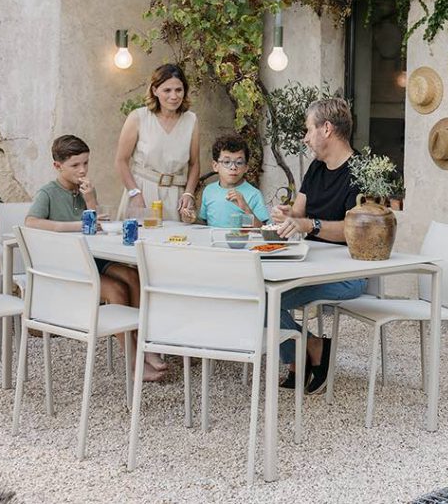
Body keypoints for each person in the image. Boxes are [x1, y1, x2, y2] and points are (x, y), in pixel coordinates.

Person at [25, 135, 167, 381]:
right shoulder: (48, 193)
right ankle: (133, 362)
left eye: (86, 163)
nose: (82, 170)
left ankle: (143, 344)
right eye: (75, 165)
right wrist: (71, 226)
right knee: (116, 290)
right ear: (57, 166)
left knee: (134, 276)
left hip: (95, 258)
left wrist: (90, 198)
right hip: (70, 265)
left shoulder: (85, 190)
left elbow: (98, 225)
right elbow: (30, 222)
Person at [270, 97, 362, 394]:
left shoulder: (360, 172)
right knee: (263, 293)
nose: (305, 138)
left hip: (347, 274)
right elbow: (299, 212)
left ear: (326, 129)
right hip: (313, 263)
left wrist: (310, 225)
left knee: (270, 298)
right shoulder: (316, 168)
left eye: (308, 130)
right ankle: (311, 348)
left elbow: (353, 232)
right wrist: (288, 214)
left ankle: (302, 358)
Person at [115, 64, 200, 223]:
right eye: (167, 90)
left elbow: (195, 164)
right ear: (155, 91)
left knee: (173, 244)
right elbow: (121, 160)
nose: (174, 96)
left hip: (175, 196)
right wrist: (134, 193)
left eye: (178, 90)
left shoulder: (191, 120)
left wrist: (188, 194)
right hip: (142, 192)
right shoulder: (138, 117)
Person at [191, 134, 270, 228]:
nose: (233, 167)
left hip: (242, 241)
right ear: (215, 166)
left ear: (246, 167)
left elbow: (261, 229)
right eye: (227, 162)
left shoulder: (254, 194)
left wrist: (245, 208)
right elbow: (205, 223)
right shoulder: (209, 191)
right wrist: (191, 218)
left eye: (239, 163)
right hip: (214, 241)